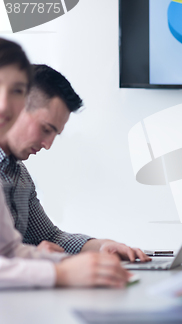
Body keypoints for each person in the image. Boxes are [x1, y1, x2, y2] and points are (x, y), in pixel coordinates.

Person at [0, 38, 130, 289]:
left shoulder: (18, 174)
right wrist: (58, 271)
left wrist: (98, 249)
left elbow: (16, 249)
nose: (48, 145)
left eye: (15, 90)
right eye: (45, 129)